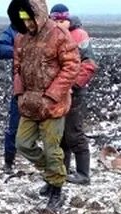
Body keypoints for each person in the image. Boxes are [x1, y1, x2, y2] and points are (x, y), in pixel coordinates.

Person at [7, 0, 79, 212]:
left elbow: (72, 65)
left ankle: (55, 189)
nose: (28, 25)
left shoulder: (58, 34)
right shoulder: (21, 38)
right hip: (29, 103)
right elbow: (17, 68)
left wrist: (53, 95)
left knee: (51, 148)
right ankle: (52, 174)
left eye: (30, 19)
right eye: (23, 20)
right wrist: (19, 94)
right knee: (22, 143)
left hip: (52, 106)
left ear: (38, 15)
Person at [49, 5, 97, 185]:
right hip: (57, 92)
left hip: (74, 92)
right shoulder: (50, 37)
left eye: (62, 20)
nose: (60, 24)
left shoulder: (79, 35)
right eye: (56, 21)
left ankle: (83, 173)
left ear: (68, 20)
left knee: (74, 132)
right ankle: (64, 170)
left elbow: (89, 64)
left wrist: (73, 84)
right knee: (61, 134)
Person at [0, 24, 19, 173]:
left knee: (49, 130)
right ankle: (9, 162)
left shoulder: (49, 28)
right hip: (21, 90)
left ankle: (53, 168)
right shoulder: (16, 29)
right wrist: (19, 51)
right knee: (14, 127)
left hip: (46, 90)